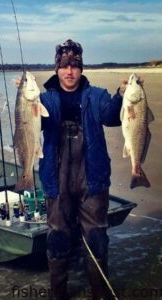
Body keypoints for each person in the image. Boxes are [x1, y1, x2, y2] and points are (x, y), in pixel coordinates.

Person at [39, 39, 126, 300]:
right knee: (58, 239)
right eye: (64, 66)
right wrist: (25, 98)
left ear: (81, 69)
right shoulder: (43, 99)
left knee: (97, 239)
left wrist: (122, 95)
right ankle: (58, 294)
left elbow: (111, 117)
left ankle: (99, 294)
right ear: (57, 69)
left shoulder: (97, 95)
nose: (69, 72)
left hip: (93, 177)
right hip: (57, 178)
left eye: (74, 66)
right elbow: (30, 124)